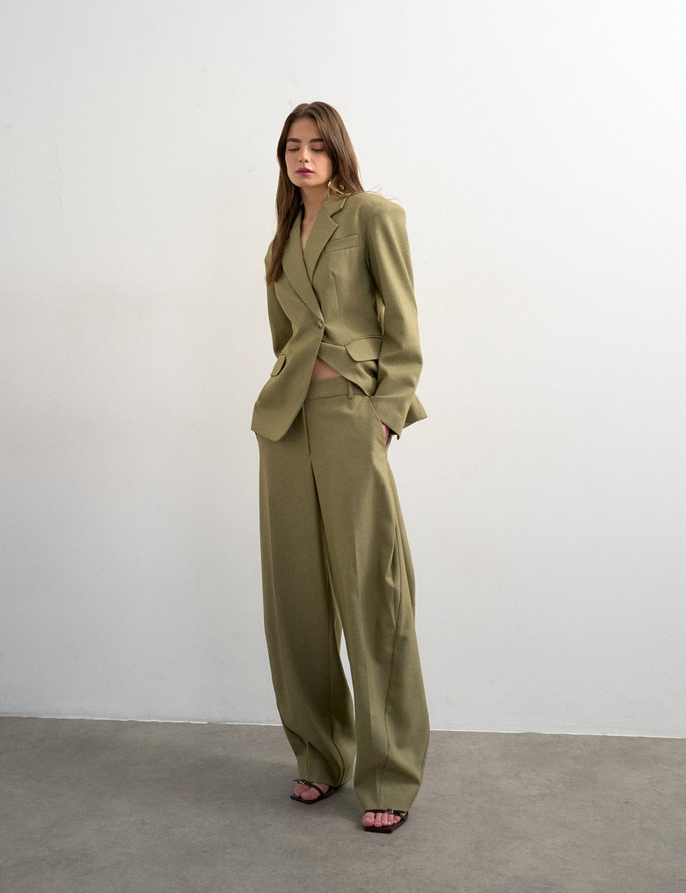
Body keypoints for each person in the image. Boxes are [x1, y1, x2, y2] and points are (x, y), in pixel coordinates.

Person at [251, 101, 429, 833]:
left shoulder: (374, 216)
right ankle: (319, 754)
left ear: (338, 152)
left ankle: (388, 773)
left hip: (353, 415)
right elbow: (283, 338)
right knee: (295, 594)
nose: (304, 157)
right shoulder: (281, 238)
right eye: (293, 146)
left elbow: (403, 328)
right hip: (286, 424)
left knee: (370, 588)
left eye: (317, 146)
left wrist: (385, 413)